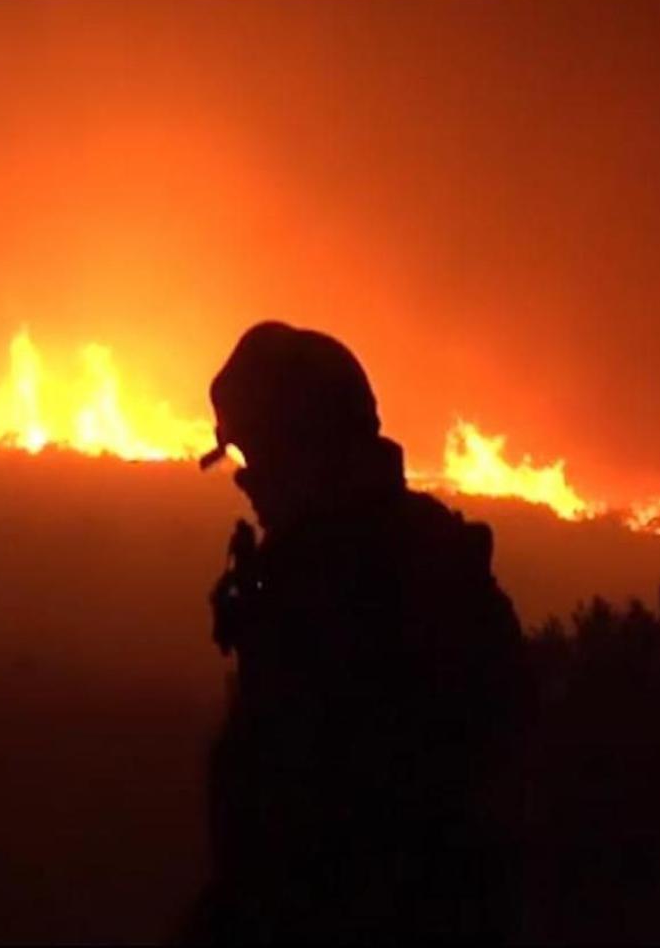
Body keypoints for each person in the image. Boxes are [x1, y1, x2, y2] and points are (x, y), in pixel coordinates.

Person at [186, 321, 527, 944]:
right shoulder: (426, 551)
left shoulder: (332, 584)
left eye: (256, 459)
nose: (247, 484)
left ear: (304, 451)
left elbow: (304, 816)